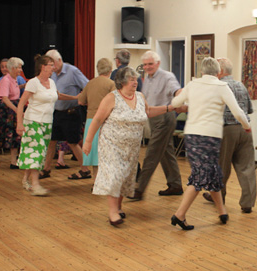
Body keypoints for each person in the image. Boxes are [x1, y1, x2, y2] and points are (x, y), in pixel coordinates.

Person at [83, 66, 177, 225]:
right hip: (111, 144)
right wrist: (88, 141)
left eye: (136, 79)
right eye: (132, 79)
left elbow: (148, 112)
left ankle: (118, 207)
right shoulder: (111, 98)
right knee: (115, 175)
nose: (136, 81)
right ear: (122, 81)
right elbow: (98, 119)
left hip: (132, 147)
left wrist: (170, 108)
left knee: (126, 176)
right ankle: (112, 212)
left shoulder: (140, 96)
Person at [170, 57, 251, 230]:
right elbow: (238, 112)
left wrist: (187, 100)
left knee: (212, 173)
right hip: (209, 137)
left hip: (191, 135)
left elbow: (176, 103)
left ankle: (222, 211)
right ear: (218, 72)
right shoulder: (221, 87)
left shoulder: (192, 85)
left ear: (201, 71)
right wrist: (247, 127)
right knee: (200, 176)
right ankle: (179, 215)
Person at [202, 57, 256, 213]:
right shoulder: (241, 85)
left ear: (220, 72)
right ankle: (247, 203)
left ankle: (219, 198)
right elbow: (249, 109)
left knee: (221, 167)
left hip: (226, 130)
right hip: (245, 130)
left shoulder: (218, 86)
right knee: (247, 168)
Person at [128, 51, 183, 200]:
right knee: (166, 151)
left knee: (152, 153)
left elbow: (177, 91)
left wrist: (180, 99)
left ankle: (139, 188)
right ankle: (175, 184)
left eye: (150, 64)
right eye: (145, 64)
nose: (147, 67)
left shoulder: (167, 76)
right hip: (153, 118)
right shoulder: (147, 78)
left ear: (158, 63)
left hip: (165, 117)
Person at [39, 49, 90, 180]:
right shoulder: (53, 74)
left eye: (52, 63)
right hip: (57, 113)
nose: (50, 66)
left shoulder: (73, 71)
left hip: (71, 113)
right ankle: (46, 169)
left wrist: (81, 99)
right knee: (52, 141)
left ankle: (85, 170)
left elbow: (88, 86)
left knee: (73, 142)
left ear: (59, 60)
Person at [16, 55, 59, 196]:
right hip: (33, 121)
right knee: (37, 150)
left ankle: (25, 180)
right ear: (43, 67)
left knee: (38, 154)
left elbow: (56, 96)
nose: (53, 67)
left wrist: (77, 98)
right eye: (51, 64)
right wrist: (19, 124)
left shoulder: (52, 82)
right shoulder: (33, 83)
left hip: (47, 122)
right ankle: (36, 185)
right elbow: (21, 104)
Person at [78, 58, 116, 177]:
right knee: (106, 153)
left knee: (94, 154)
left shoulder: (90, 83)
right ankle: (105, 180)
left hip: (90, 120)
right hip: (106, 121)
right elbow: (115, 102)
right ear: (110, 70)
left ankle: (95, 181)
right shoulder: (111, 84)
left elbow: (80, 101)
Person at [0, 57, 25, 169]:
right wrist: (17, 110)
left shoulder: (15, 79)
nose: (20, 70)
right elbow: (5, 98)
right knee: (0, 135)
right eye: (19, 67)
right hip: (4, 111)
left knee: (14, 135)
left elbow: (14, 90)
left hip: (13, 109)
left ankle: (14, 161)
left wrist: (24, 86)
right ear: (13, 68)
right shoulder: (5, 80)